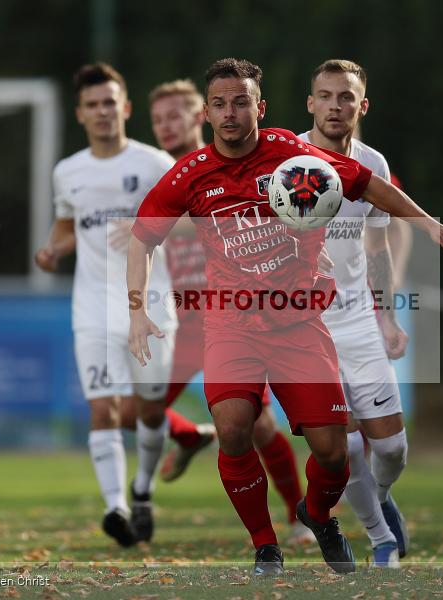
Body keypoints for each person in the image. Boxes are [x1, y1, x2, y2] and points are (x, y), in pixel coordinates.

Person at [127, 58, 443, 576]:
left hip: (299, 320)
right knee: (233, 426)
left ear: (259, 108)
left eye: (241, 102)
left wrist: (425, 223)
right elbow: (142, 237)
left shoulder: (290, 154)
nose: (230, 113)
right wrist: (136, 311)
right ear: (206, 112)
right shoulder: (190, 174)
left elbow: (364, 183)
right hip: (233, 323)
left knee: (334, 452)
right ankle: (265, 544)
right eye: (219, 104)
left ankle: (318, 514)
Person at [147, 79, 315, 544]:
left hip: (230, 314)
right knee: (129, 405)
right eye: (157, 118)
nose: (166, 125)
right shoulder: (157, 172)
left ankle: (298, 517)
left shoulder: (220, 167)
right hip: (182, 318)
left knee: (259, 426)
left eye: (175, 115)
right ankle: (188, 435)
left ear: (198, 115)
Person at [34, 63, 182, 548]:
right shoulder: (68, 172)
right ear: (80, 114)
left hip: (151, 305)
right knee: (103, 410)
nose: (102, 111)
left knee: (151, 408)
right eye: (92, 105)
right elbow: (66, 226)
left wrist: (148, 226)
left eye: (109, 102)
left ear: (125, 107)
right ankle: (116, 506)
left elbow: (195, 220)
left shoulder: (156, 163)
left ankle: (143, 489)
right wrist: (54, 249)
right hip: (92, 307)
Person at [301, 59, 412, 568]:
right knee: (344, 449)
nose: (335, 105)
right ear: (311, 103)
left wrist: (387, 316)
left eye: (345, 96)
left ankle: (383, 499)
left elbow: (377, 244)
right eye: (325, 95)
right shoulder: (290, 163)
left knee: (391, 450)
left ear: (361, 106)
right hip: (304, 327)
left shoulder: (375, 166)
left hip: (358, 322)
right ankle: (381, 540)